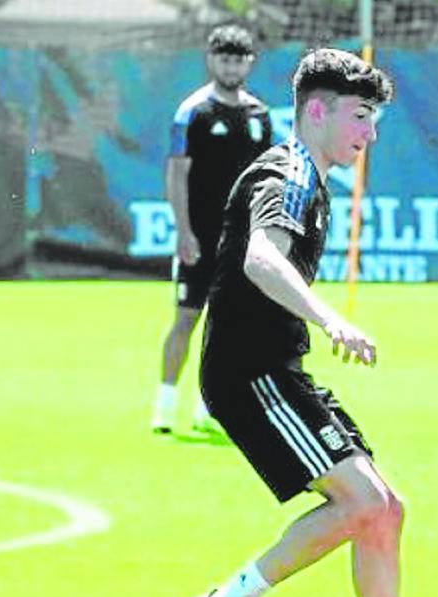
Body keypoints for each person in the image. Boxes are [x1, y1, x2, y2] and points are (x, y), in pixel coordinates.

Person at [182, 49, 426, 597]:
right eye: (359, 116)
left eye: (374, 120)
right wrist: (330, 316)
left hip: (279, 369)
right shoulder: (288, 172)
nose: (369, 134)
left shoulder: (311, 179)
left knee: (384, 513)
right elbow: (262, 256)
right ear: (315, 110)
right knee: (364, 502)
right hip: (249, 373)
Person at [151, 25, 273, 433]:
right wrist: (183, 231)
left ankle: (209, 411)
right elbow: (177, 174)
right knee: (186, 318)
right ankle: (164, 408)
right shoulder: (194, 112)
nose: (231, 66)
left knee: (228, 326)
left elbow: (264, 180)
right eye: (224, 58)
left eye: (239, 59)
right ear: (211, 60)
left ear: (249, 63)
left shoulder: (259, 115)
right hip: (200, 238)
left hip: (240, 240)